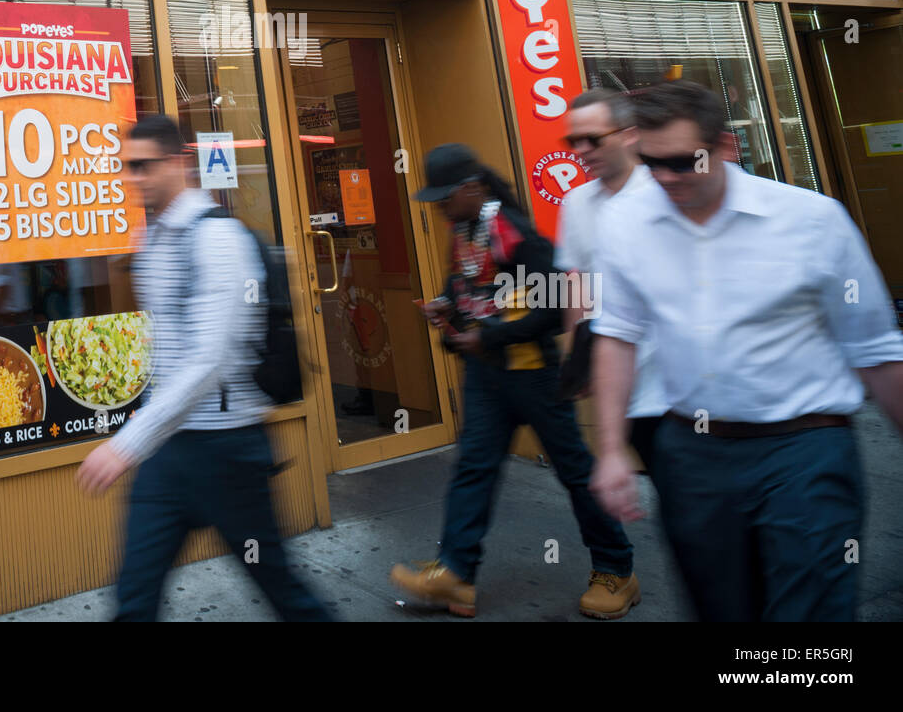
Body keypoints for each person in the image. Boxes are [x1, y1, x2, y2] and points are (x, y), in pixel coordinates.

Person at [589, 80, 903, 622]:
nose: (665, 177)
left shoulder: (812, 221)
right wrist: (612, 449)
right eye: (650, 162)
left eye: (685, 162)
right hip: (691, 454)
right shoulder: (624, 223)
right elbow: (618, 333)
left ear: (727, 148)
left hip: (806, 447)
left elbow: (873, 346)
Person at [77, 114, 332, 622]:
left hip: (227, 449)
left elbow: (208, 361)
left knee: (281, 586)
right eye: (127, 167)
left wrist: (127, 443)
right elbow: (168, 350)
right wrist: (147, 437)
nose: (133, 178)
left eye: (144, 166)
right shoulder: (155, 240)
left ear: (177, 162)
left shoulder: (218, 241)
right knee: (135, 595)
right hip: (168, 451)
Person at [390, 144, 639, 620]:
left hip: (535, 377)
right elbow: (464, 285)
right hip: (488, 376)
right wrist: (445, 305)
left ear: (472, 188)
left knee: (575, 473)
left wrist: (490, 336)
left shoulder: (518, 235)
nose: (439, 205)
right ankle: (456, 576)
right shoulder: (465, 228)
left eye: (445, 195)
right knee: (473, 469)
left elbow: (553, 312)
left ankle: (617, 570)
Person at [554, 89, 665, 481]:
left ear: (629, 135)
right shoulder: (576, 203)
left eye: (594, 139)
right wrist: (577, 361)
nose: (582, 150)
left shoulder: (666, 194)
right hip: (624, 389)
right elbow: (576, 284)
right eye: (573, 141)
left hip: (682, 387)